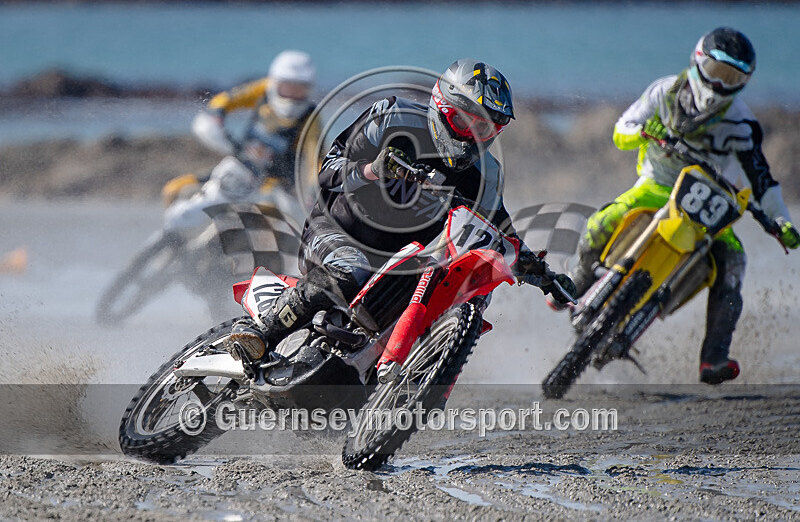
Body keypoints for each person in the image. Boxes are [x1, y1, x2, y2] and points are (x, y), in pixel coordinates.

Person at [224, 58, 576, 362]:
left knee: (450, 297)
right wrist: (371, 171)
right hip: (339, 230)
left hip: (403, 264)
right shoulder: (391, 117)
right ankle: (262, 335)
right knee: (351, 271)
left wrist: (545, 278)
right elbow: (327, 171)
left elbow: (501, 234)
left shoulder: (485, 175)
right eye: (465, 122)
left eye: (485, 128)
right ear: (442, 109)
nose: (472, 136)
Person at [551, 28, 799, 384]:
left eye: (733, 79)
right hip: (656, 186)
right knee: (601, 221)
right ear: (698, 62)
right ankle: (577, 279)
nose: (720, 87)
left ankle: (713, 356)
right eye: (717, 73)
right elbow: (621, 130)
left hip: (712, 203)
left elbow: (762, 179)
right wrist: (643, 132)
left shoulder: (742, 124)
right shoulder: (664, 91)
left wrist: (781, 220)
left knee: (734, 263)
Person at [161, 50, 321, 231]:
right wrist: (216, 115)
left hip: (274, 185)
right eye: (288, 87)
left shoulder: (310, 117)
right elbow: (228, 100)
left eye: (299, 89)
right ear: (275, 82)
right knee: (173, 189)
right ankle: (175, 240)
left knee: (264, 224)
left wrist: (314, 189)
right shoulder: (262, 90)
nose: (292, 95)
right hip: (241, 169)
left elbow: (317, 158)